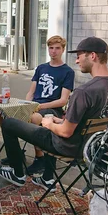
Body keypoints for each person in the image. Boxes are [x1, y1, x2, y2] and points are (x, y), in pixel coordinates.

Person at [0, 37, 108, 189]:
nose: (77, 61)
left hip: (65, 146)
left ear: (92, 56)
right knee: (48, 119)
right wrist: (58, 121)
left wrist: (49, 123)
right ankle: (47, 178)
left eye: (79, 56)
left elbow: (66, 132)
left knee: (8, 124)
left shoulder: (84, 92)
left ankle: (17, 173)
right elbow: (87, 120)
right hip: (91, 148)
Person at [24, 35, 74, 175]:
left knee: (34, 118)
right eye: (51, 48)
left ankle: (39, 158)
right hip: (35, 106)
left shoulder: (68, 72)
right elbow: (31, 91)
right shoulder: (41, 68)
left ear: (63, 50)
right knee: (4, 115)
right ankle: (15, 156)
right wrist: (28, 103)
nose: (53, 51)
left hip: (53, 109)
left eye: (57, 48)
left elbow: (63, 100)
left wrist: (40, 107)